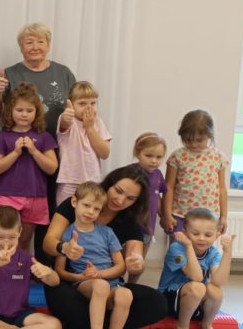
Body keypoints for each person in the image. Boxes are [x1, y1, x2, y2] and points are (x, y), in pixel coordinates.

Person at [0, 23, 77, 264]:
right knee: (6, 226)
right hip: (16, 163)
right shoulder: (10, 73)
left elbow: (75, 107)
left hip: (55, 150)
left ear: (48, 44)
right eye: (29, 42)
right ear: (21, 47)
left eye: (40, 41)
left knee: (45, 214)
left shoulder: (63, 73)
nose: (35, 46)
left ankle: (39, 268)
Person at [42, 164, 168, 328]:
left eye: (130, 198)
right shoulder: (77, 204)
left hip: (110, 284)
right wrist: (64, 248)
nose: (120, 200)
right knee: (65, 300)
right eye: (118, 191)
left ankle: (95, 320)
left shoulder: (128, 224)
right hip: (74, 284)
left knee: (157, 302)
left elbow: (132, 259)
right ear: (109, 184)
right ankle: (97, 319)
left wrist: (137, 263)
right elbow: (48, 243)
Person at [0, 206, 61, 329]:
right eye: (0, 237)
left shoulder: (26, 258)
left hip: (20, 314)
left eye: (11, 237)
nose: (6, 243)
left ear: (19, 232)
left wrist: (48, 273)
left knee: (54, 324)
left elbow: (55, 282)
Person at [0, 83, 58, 251]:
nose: (24, 114)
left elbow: (52, 168)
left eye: (29, 110)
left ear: (37, 112)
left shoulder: (44, 137)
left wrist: (34, 151)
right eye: (19, 110)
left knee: (24, 240)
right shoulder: (2, 137)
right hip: (8, 195)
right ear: (10, 111)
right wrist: (15, 153)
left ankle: (18, 268)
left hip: (36, 196)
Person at [53, 182, 132, 329]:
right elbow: (59, 270)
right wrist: (80, 277)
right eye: (86, 205)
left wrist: (99, 273)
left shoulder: (107, 232)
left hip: (111, 283)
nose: (90, 212)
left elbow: (121, 267)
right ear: (74, 202)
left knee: (125, 294)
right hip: (86, 283)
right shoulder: (67, 233)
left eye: (96, 209)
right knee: (101, 285)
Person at [157, 208, 235, 329]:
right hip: (167, 304)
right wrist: (188, 246)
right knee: (197, 287)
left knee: (215, 290)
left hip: (195, 303)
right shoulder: (176, 248)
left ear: (216, 236)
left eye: (208, 235)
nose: (202, 238)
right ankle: (182, 326)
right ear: (185, 233)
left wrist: (227, 252)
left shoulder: (213, 253)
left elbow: (219, 281)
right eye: (195, 234)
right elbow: (197, 277)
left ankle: (207, 324)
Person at [163, 110, 229, 234]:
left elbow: (221, 189)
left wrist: (224, 216)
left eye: (199, 140)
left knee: (203, 245)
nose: (193, 144)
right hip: (181, 215)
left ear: (209, 135)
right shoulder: (177, 156)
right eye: (188, 140)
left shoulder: (218, 157)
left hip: (209, 216)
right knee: (178, 245)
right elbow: (169, 187)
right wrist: (167, 214)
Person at [55, 81, 111, 206]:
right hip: (69, 181)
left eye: (93, 103)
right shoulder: (69, 118)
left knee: (88, 214)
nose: (89, 108)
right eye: (82, 103)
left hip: (92, 182)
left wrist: (90, 127)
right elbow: (64, 123)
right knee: (65, 214)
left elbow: (105, 153)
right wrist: (66, 116)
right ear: (71, 103)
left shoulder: (98, 122)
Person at [131, 132, 168, 284]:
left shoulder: (158, 174)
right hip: (129, 226)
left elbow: (157, 196)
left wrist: (164, 216)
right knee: (125, 259)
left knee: (139, 263)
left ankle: (132, 285)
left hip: (148, 227)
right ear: (137, 153)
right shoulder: (130, 173)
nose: (154, 161)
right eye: (149, 156)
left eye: (159, 157)